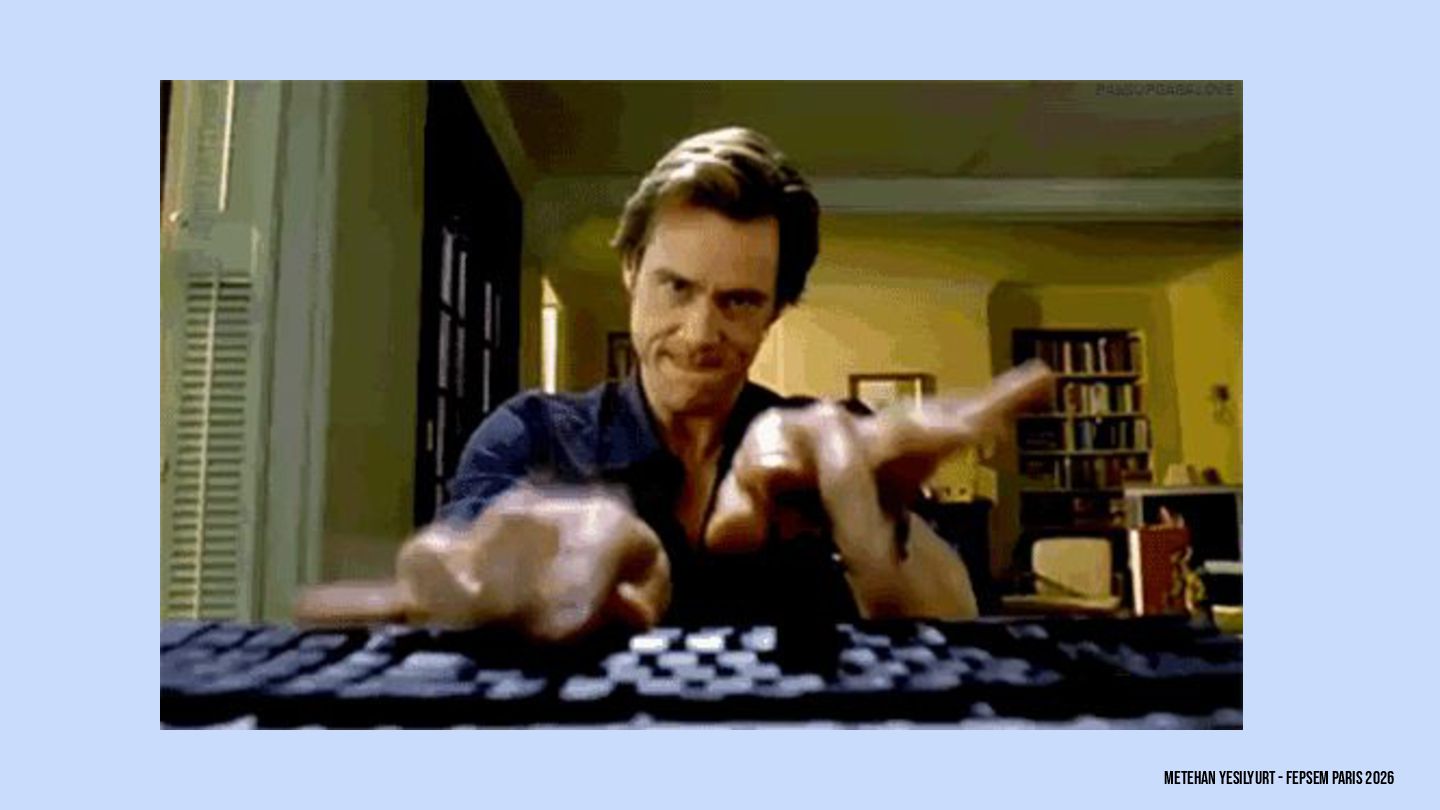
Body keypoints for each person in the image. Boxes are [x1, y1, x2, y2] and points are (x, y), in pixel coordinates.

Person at [297, 126, 1054, 641]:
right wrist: (520, 578)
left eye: (739, 302)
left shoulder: (829, 443)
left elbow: (958, 627)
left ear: (776, 310)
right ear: (632, 271)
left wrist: (880, 532)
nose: (698, 334)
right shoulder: (529, 434)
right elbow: (465, 569)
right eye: (676, 288)